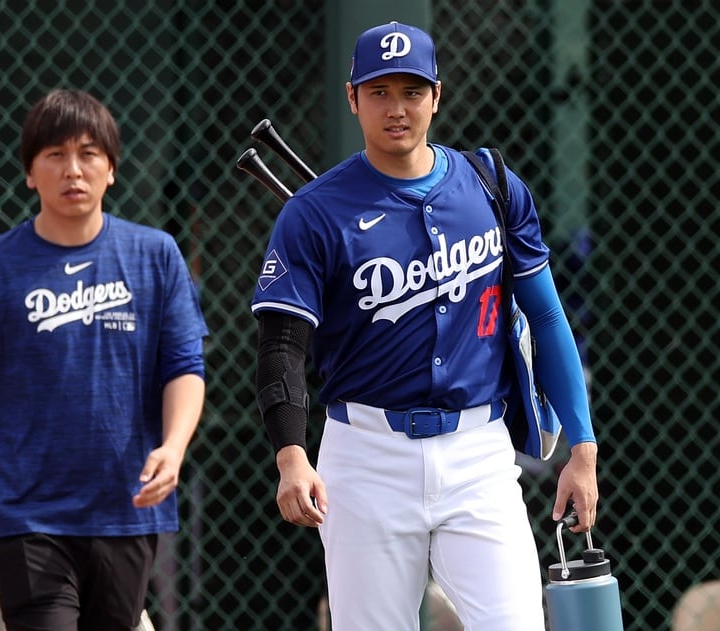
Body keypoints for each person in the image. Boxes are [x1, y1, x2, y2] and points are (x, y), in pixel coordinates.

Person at [250, 21, 599, 630]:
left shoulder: (491, 184)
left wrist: (583, 447)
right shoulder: (313, 213)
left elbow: (546, 315)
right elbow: (281, 347)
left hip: (479, 454)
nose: (397, 108)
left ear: (436, 95)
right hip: (365, 456)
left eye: (411, 91)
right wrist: (290, 454)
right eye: (379, 92)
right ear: (352, 97)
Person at [0, 89, 208, 631]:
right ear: (29, 173)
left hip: (128, 509)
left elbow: (184, 368)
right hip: (27, 515)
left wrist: (174, 447)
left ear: (111, 169)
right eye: (55, 155)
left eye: (89, 153)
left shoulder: (155, 256)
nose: (74, 170)